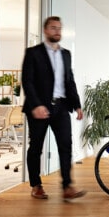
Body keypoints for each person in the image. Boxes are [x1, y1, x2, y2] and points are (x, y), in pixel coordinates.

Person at [21, 16, 86, 201]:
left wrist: (77, 105)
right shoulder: (33, 53)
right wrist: (36, 105)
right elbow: (27, 81)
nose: (57, 31)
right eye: (53, 28)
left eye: (59, 28)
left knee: (66, 146)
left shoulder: (66, 54)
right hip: (38, 109)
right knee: (36, 148)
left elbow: (69, 80)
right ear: (45, 30)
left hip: (61, 107)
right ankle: (36, 185)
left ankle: (67, 186)